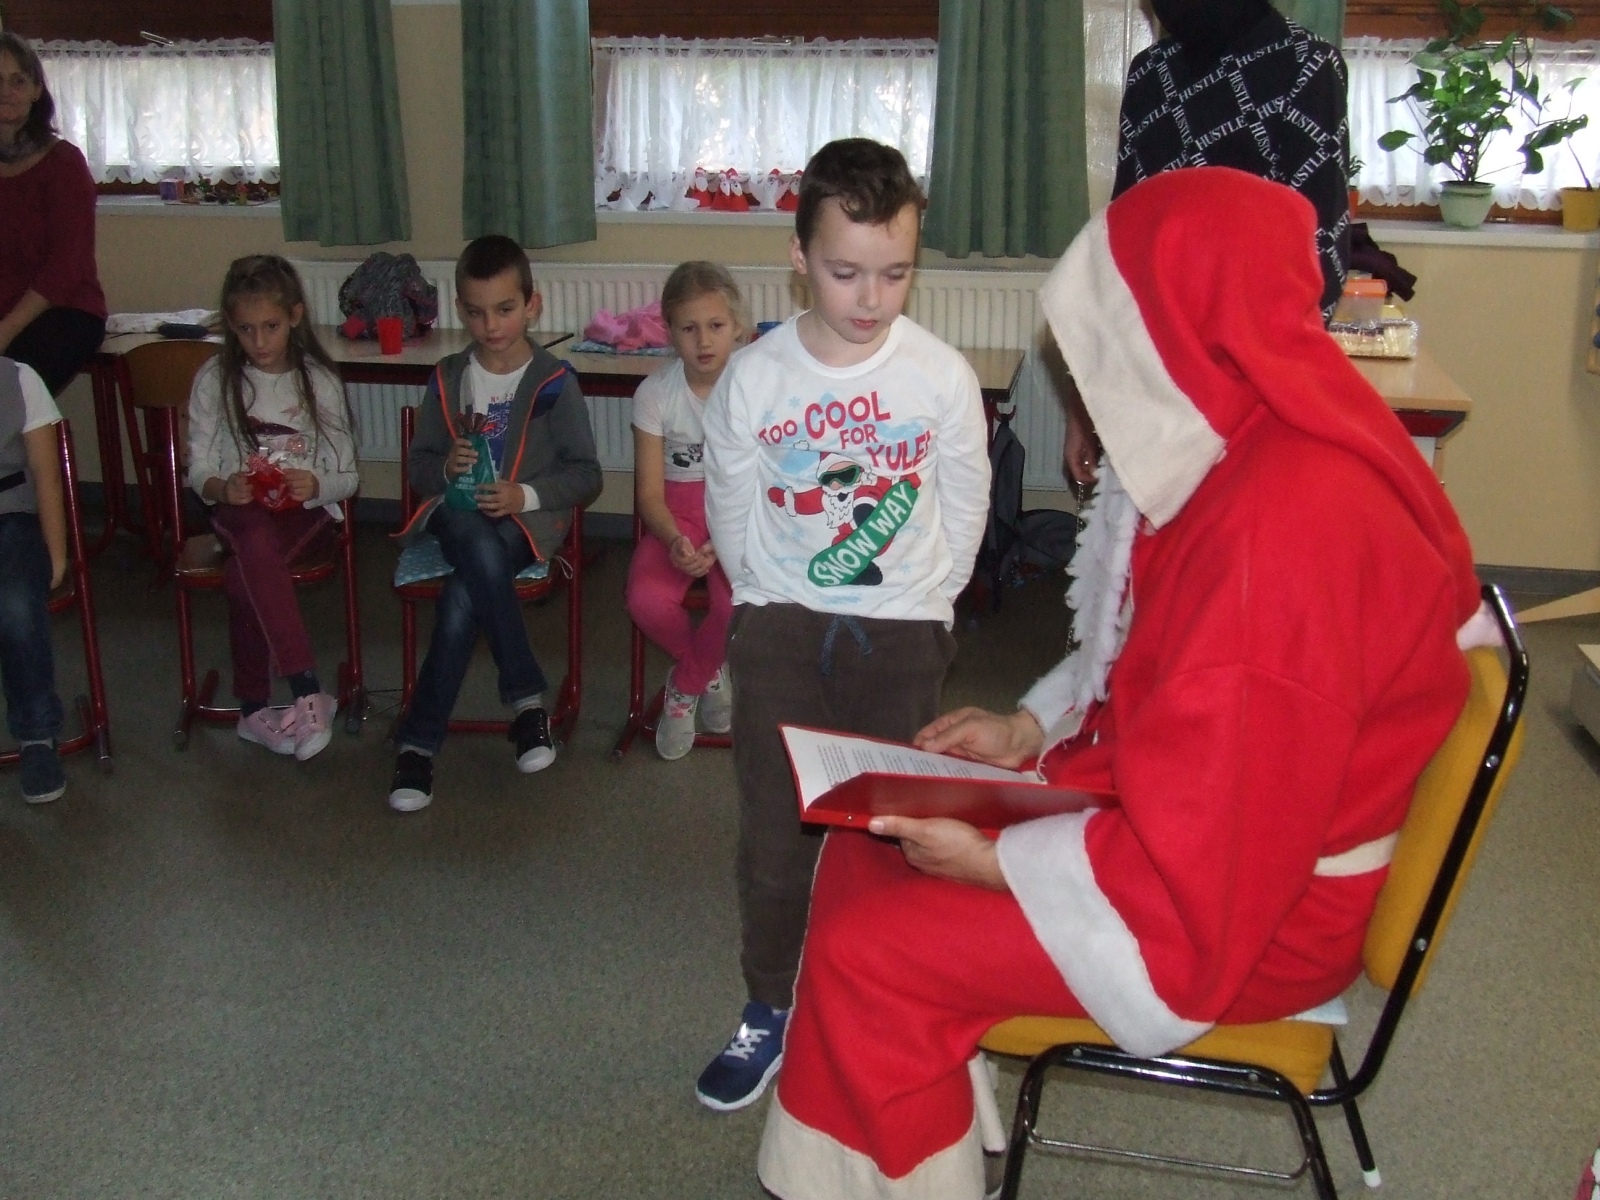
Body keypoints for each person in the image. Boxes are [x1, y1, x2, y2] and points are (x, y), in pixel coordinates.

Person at [754, 167, 1486, 1200]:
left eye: (1103, 345)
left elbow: (1214, 852)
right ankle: (930, 1136)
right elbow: (1155, 673)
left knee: (869, 944)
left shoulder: (1283, 533)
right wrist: (1028, 730)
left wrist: (999, 862)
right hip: (1210, 843)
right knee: (863, 858)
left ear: (1169, 333)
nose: (1089, 381)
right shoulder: (1249, 446)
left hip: (1245, 916)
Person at [698, 138, 990, 1112]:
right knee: (776, 835)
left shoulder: (939, 375)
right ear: (798, 257)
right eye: (845, 272)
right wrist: (759, 600)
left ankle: (885, 1001)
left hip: (900, 632)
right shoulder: (755, 377)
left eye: (895, 273)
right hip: (782, 625)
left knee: (893, 830)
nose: (870, 298)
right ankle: (769, 1005)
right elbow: (730, 502)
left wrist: (931, 602)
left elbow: (965, 495)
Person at [388, 235, 602, 813]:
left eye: (505, 309)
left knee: (465, 592)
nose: (491, 325)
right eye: (477, 312)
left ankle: (418, 744)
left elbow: (586, 476)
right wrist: (445, 468)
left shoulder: (555, 382)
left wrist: (522, 495)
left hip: (523, 525)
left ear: (532, 305)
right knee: (473, 540)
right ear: (461, 310)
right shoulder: (448, 376)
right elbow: (419, 469)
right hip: (457, 518)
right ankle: (527, 700)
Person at [188, 255, 358, 762]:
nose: (259, 342)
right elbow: (198, 470)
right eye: (245, 329)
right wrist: (223, 487)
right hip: (240, 513)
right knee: (253, 539)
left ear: (295, 316)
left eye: (271, 327)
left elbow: (349, 477)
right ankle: (307, 688)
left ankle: (253, 709)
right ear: (229, 325)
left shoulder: (318, 381)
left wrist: (315, 485)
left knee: (244, 574)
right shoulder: (215, 378)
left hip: (303, 514)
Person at [1114, 0, 1350, 318]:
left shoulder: (1306, 62)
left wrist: (1282, 339)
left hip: (1252, 326)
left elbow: (1322, 236)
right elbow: (1125, 216)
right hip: (1152, 323)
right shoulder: (1149, 70)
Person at [626, 261, 742, 761]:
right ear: (669, 331)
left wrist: (725, 538)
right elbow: (650, 496)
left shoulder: (751, 385)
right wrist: (675, 539)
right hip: (676, 518)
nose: (704, 340)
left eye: (715, 325)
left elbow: (769, 479)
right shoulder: (655, 394)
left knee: (738, 604)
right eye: (689, 328)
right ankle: (710, 670)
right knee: (645, 600)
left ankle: (685, 685)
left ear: (736, 326)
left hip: (739, 514)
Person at [0, 33, 108, 396]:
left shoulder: (63, 163)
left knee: (8, 393)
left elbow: (66, 267)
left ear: (36, 91)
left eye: (18, 81)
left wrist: (4, 332)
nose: (6, 92)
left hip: (62, 312)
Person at [0, 355, 69, 803]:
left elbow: (47, 476)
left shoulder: (19, 380)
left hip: (11, 516)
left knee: (16, 603)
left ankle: (37, 736)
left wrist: (56, 556)